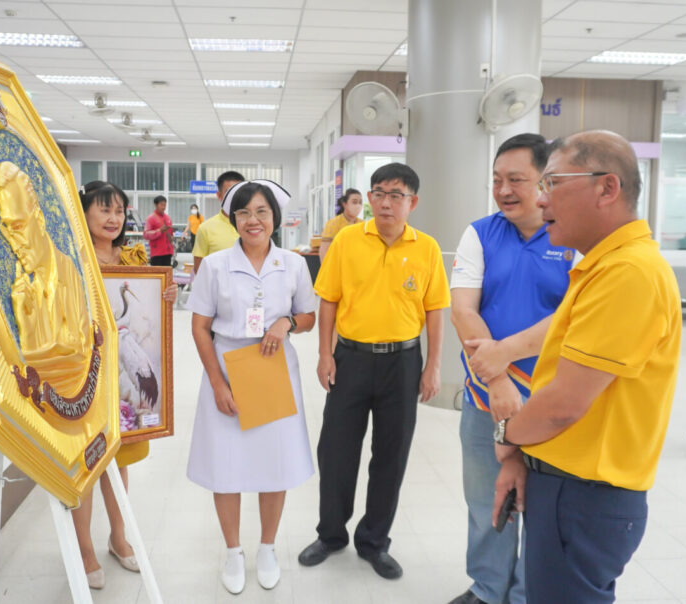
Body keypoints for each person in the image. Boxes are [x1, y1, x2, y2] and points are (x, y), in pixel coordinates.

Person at [491, 131, 681, 604]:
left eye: (552, 183)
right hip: (566, 481)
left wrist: (505, 435)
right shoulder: (602, 266)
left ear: (607, 188)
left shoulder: (627, 273)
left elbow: (564, 404)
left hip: (584, 494)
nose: (540, 198)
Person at [299, 162, 450, 580]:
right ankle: (331, 535)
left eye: (396, 195)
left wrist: (433, 365)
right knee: (336, 451)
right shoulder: (347, 241)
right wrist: (325, 354)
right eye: (379, 193)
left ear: (412, 202)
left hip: (403, 363)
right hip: (351, 358)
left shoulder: (427, 248)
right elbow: (328, 300)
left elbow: (435, 310)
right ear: (368, 199)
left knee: (391, 454)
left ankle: (374, 541)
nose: (386, 202)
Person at [448, 134, 575, 604]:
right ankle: (488, 587)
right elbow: (463, 310)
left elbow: (572, 316)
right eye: (497, 179)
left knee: (542, 504)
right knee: (486, 498)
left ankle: (527, 592)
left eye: (516, 179)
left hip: (551, 398)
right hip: (485, 395)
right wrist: (497, 379)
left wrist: (504, 354)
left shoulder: (572, 237)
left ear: (546, 180)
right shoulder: (480, 233)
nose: (503, 190)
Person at [185, 180, 316, 594]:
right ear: (233, 219)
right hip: (227, 367)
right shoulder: (215, 266)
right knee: (226, 467)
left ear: (275, 217)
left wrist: (285, 322)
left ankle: (267, 548)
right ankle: (233, 552)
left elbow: (308, 316)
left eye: (261, 212)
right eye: (244, 213)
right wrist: (217, 383)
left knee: (273, 464)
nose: (253, 220)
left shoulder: (292, 265)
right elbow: (200, 327)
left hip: (273, 370)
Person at [74, 180, 177, 590]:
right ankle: (84, 549)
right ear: (84, 213)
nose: (113, 218)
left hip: (122, 373)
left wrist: (164, 296)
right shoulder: (71, 259)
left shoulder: (134, 257)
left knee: (118, 460)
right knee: (86, 461)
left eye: (119, 210)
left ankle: (118, 537)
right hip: (82, 371)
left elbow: (147, 305)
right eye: (104, 209)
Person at [0, 161, 90, 384]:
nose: (14, 243)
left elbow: (81, 363)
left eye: (18, 227)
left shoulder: (71, 274)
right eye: (6, 230)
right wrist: (28, 332)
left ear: (40, 219)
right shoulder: (26, 293)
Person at [192, 171, 245, 273]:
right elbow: (199, 269)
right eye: (229, 192)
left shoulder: (253, 226)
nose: (234, 197)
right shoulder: (205, 228)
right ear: (219, 195)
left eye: (238, 192)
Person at [319, 189, 363, 261]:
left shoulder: (363, 224)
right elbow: (324, 251)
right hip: (338, 263)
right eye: (354, 202)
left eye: (360, 202)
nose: (358, 205)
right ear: (344, 204)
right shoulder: (333, 224)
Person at [143, 195, 174, 267]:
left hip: (168, 253)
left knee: (167, 273)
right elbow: (146, 234)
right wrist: (160, 230)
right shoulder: (151, 218)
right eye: (161, 205)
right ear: (156, 205)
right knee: (157, 273)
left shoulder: (168, 218)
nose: (163, 207)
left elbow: (171, 234)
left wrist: (171, 238)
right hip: (156, 254)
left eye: (165, 205)